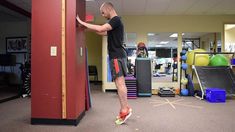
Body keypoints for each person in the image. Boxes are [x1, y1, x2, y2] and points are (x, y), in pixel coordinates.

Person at [76, 2, 132, 125]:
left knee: (120, 84)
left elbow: (102, 28)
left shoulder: (115, 19)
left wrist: (82, 22)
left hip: (117, 57)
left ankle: (125, 110)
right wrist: (87, 28)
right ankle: (126, 108)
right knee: (119, 84)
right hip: (117, 56)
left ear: (108, 9)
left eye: (102, 12)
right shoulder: (115, 23)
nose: (102, 15)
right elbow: (103, 32)